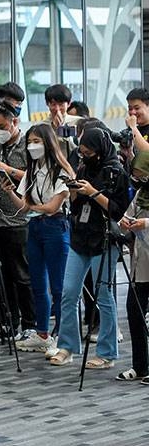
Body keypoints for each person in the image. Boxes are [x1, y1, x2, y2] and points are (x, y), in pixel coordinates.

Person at [50, 128, 129, 368]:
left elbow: (118, 211)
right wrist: (74, 191)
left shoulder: (116, 172)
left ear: (100, 150)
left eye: (89, 152)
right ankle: (67, 346)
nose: (84, 156)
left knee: (104, 296)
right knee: (68, 293)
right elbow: (76, 209)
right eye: (82, 152)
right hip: (80, 237)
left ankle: (106, 352)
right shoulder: (84, 167)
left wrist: (93, 193)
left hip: (104, 238)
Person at [2, 124, 74, 354]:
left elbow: (53, 207)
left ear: (48, 142)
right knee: (38, 283)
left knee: (59, 286)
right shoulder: (32, 171)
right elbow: (24, 207)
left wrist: (32, 207)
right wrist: (10, 192)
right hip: (34, 227)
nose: (32, 146)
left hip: (56, 227)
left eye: (37, 141)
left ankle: (63, 339)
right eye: (30, 141)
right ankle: (42, 333)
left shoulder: (62, 170)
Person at [0, 100, 35, 341]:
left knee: (21, 274)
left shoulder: (29, 145)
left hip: (20, 218)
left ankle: (30, 324)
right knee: (1, 275)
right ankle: (7, 322)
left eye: (1, 126)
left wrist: (9, 170)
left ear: (14, 122)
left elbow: (38, 177)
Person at [117, 150, 149, 381]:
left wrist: (146, 222)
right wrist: (125, 223)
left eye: (142, 174)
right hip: (140, 263)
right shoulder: (140, 194)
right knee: (134, 310)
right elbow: (127, 216)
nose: (138, 179)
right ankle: (140, 365)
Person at [126, 88, 149, 155]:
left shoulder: (134, 130)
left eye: (137, 108)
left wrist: (133, 128)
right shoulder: (133, 131)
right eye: (130, 108)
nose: (133, 112)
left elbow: (147, 154)